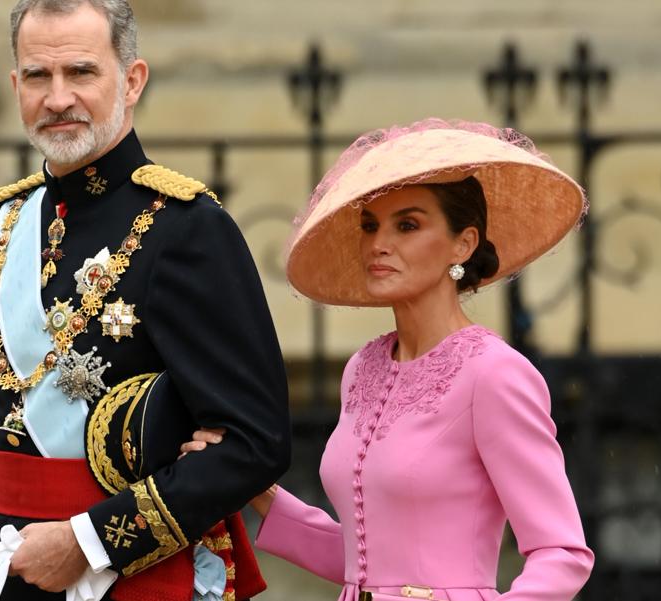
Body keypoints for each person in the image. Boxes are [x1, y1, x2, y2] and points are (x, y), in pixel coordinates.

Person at [0, 1, 291, 600]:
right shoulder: (2, 224)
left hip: (137, 573)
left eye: (80, 73)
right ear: (14, 85)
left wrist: (89, 541)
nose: (57, 99)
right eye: (37, 77)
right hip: (6, 571)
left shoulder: (186, 228)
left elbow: (256, 443)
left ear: (131, 81)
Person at [183, 120, 594, 601]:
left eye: (408, 225)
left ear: (463, 244)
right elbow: (364, 561)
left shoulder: (494, 374)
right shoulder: (363, 368)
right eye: (370, 225)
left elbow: (562, 553)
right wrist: (257, 491)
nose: (379, 243)